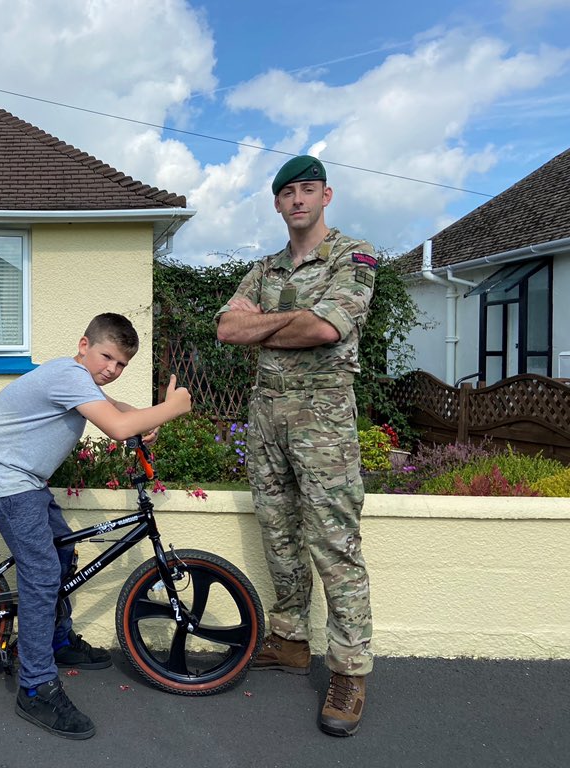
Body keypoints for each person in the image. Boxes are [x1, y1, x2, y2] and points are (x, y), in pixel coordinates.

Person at [0, 313, 192, 740]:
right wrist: (172, 408)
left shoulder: (77, 380)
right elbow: (119, 425)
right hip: (3, 480)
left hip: (23, 479)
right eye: (107, 356)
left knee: (64, 551)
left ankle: (56, 640)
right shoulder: (68, 375)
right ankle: (35, 687)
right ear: (84, 344)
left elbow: (119, 413)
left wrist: (147, 417)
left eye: (122, 365)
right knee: (42, 572)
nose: (112, 369)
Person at [215, 155, 375, 737]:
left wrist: (269, 322)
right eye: (288, 193)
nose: (299, 200)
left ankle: (350, 670)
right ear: (278, 203)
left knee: (334, 541)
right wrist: (293, 317)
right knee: (278, 531)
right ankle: (288, 640)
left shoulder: (355, 257)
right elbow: (227, 329)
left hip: (324, 415)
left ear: (326, 196)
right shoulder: (265, 268)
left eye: (309, 189)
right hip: (267, 414)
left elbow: (329, 328)